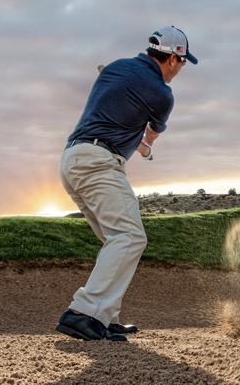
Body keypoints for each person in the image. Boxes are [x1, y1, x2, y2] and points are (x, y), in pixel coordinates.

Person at [55, 25, 198, 342]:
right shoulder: (162, 93)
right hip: (99, 163)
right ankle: (83, 313)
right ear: (174, 59)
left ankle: (105, 316)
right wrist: (145, 144)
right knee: (130, 237)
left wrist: (136, 142)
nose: (181, 69)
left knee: (116, 240)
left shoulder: (118, 67)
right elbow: (151, 134)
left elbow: (114, 110)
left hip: (73, 160)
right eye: (184, 62)